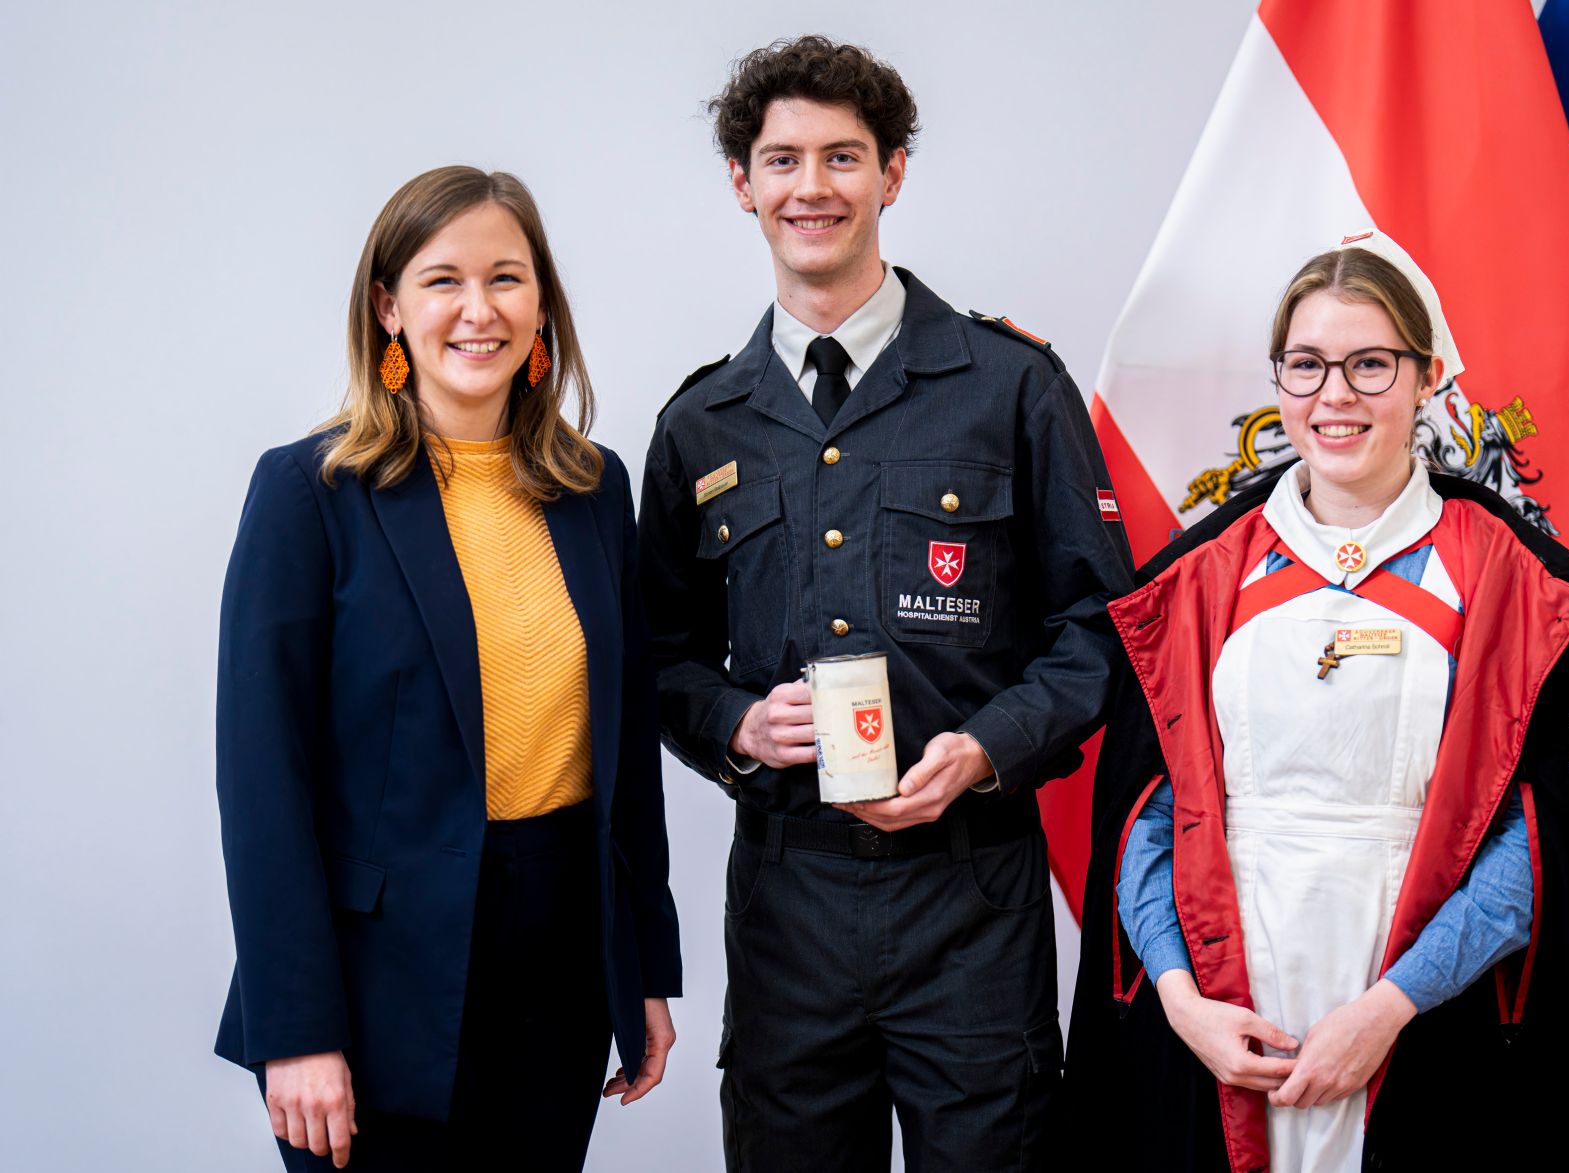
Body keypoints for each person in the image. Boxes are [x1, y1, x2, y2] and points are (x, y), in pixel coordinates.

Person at [638, 35, 1134, 1172]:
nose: (810, 187)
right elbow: (654, 656)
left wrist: (982, 749)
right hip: (785, 903)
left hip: (970, 894)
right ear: (742, 185)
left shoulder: (1009, 385)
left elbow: (1099, 631)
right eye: (781, 161)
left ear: (892, 172)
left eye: (842, 157)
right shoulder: (701, 424)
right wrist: (733, 726)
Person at [1059, 233, 1569, 1172]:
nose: (1335, 395)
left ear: (1428, 377)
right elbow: (1145, 816)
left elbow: (1538, 829)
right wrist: (1186, 1002)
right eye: (1306, 365)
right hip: (1225, 1009)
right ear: (1279, 380)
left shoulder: (1513, 582)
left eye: (1370, 364)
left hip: (1427, 1005)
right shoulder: (1199, 580)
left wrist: (1390, 1006)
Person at [214, 166, 682, 1171]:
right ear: (388, 307)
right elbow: (263, 787)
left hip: (559, 964)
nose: (480, 310)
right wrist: (293, 1026)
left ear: (541, 306)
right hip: (372, 984)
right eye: (443, 281)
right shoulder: (311, 493)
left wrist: (640, 966)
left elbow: (625, 750)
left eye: (507, 279)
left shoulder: (593, 490)